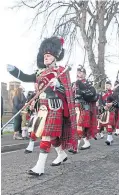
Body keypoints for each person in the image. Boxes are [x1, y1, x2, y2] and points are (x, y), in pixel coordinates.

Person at [7, 36, 77, 176]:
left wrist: (58, 85)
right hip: (43, 108)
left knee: (46, 135)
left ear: (55, 57)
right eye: (44, 55)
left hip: (55, 106)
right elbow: (26, 77)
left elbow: (68, 90)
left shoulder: (61, 71)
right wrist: (14, 71)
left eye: (49, 55)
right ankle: (61, 155)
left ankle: (39, 167)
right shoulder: (40, 72)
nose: (46, 58)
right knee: (50, 136)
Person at [68, 65, 98, 153]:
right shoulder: (73, 84)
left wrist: (82, 91)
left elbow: (92, 94)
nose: (79, 74)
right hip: (75, 107)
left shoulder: (88, 84)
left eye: (81, 72)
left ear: (84, 74)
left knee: (79, 126)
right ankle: (87, 142)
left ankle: (75, 147)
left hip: (84, 107)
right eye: (78, 72)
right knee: (78, 126)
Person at [97, 80, 116, 145]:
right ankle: (110, 138)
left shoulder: (114, 93)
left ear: (111, 86)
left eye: (108, 85)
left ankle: (109, 138)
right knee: (103, 123)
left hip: (111, 109)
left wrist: (111, 104)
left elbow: (116, 101)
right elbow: (100, 101)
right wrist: (103, 106)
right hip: (104, 110)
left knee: (109, 123)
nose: (107, 86)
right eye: (106, 85)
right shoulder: (102, 93)